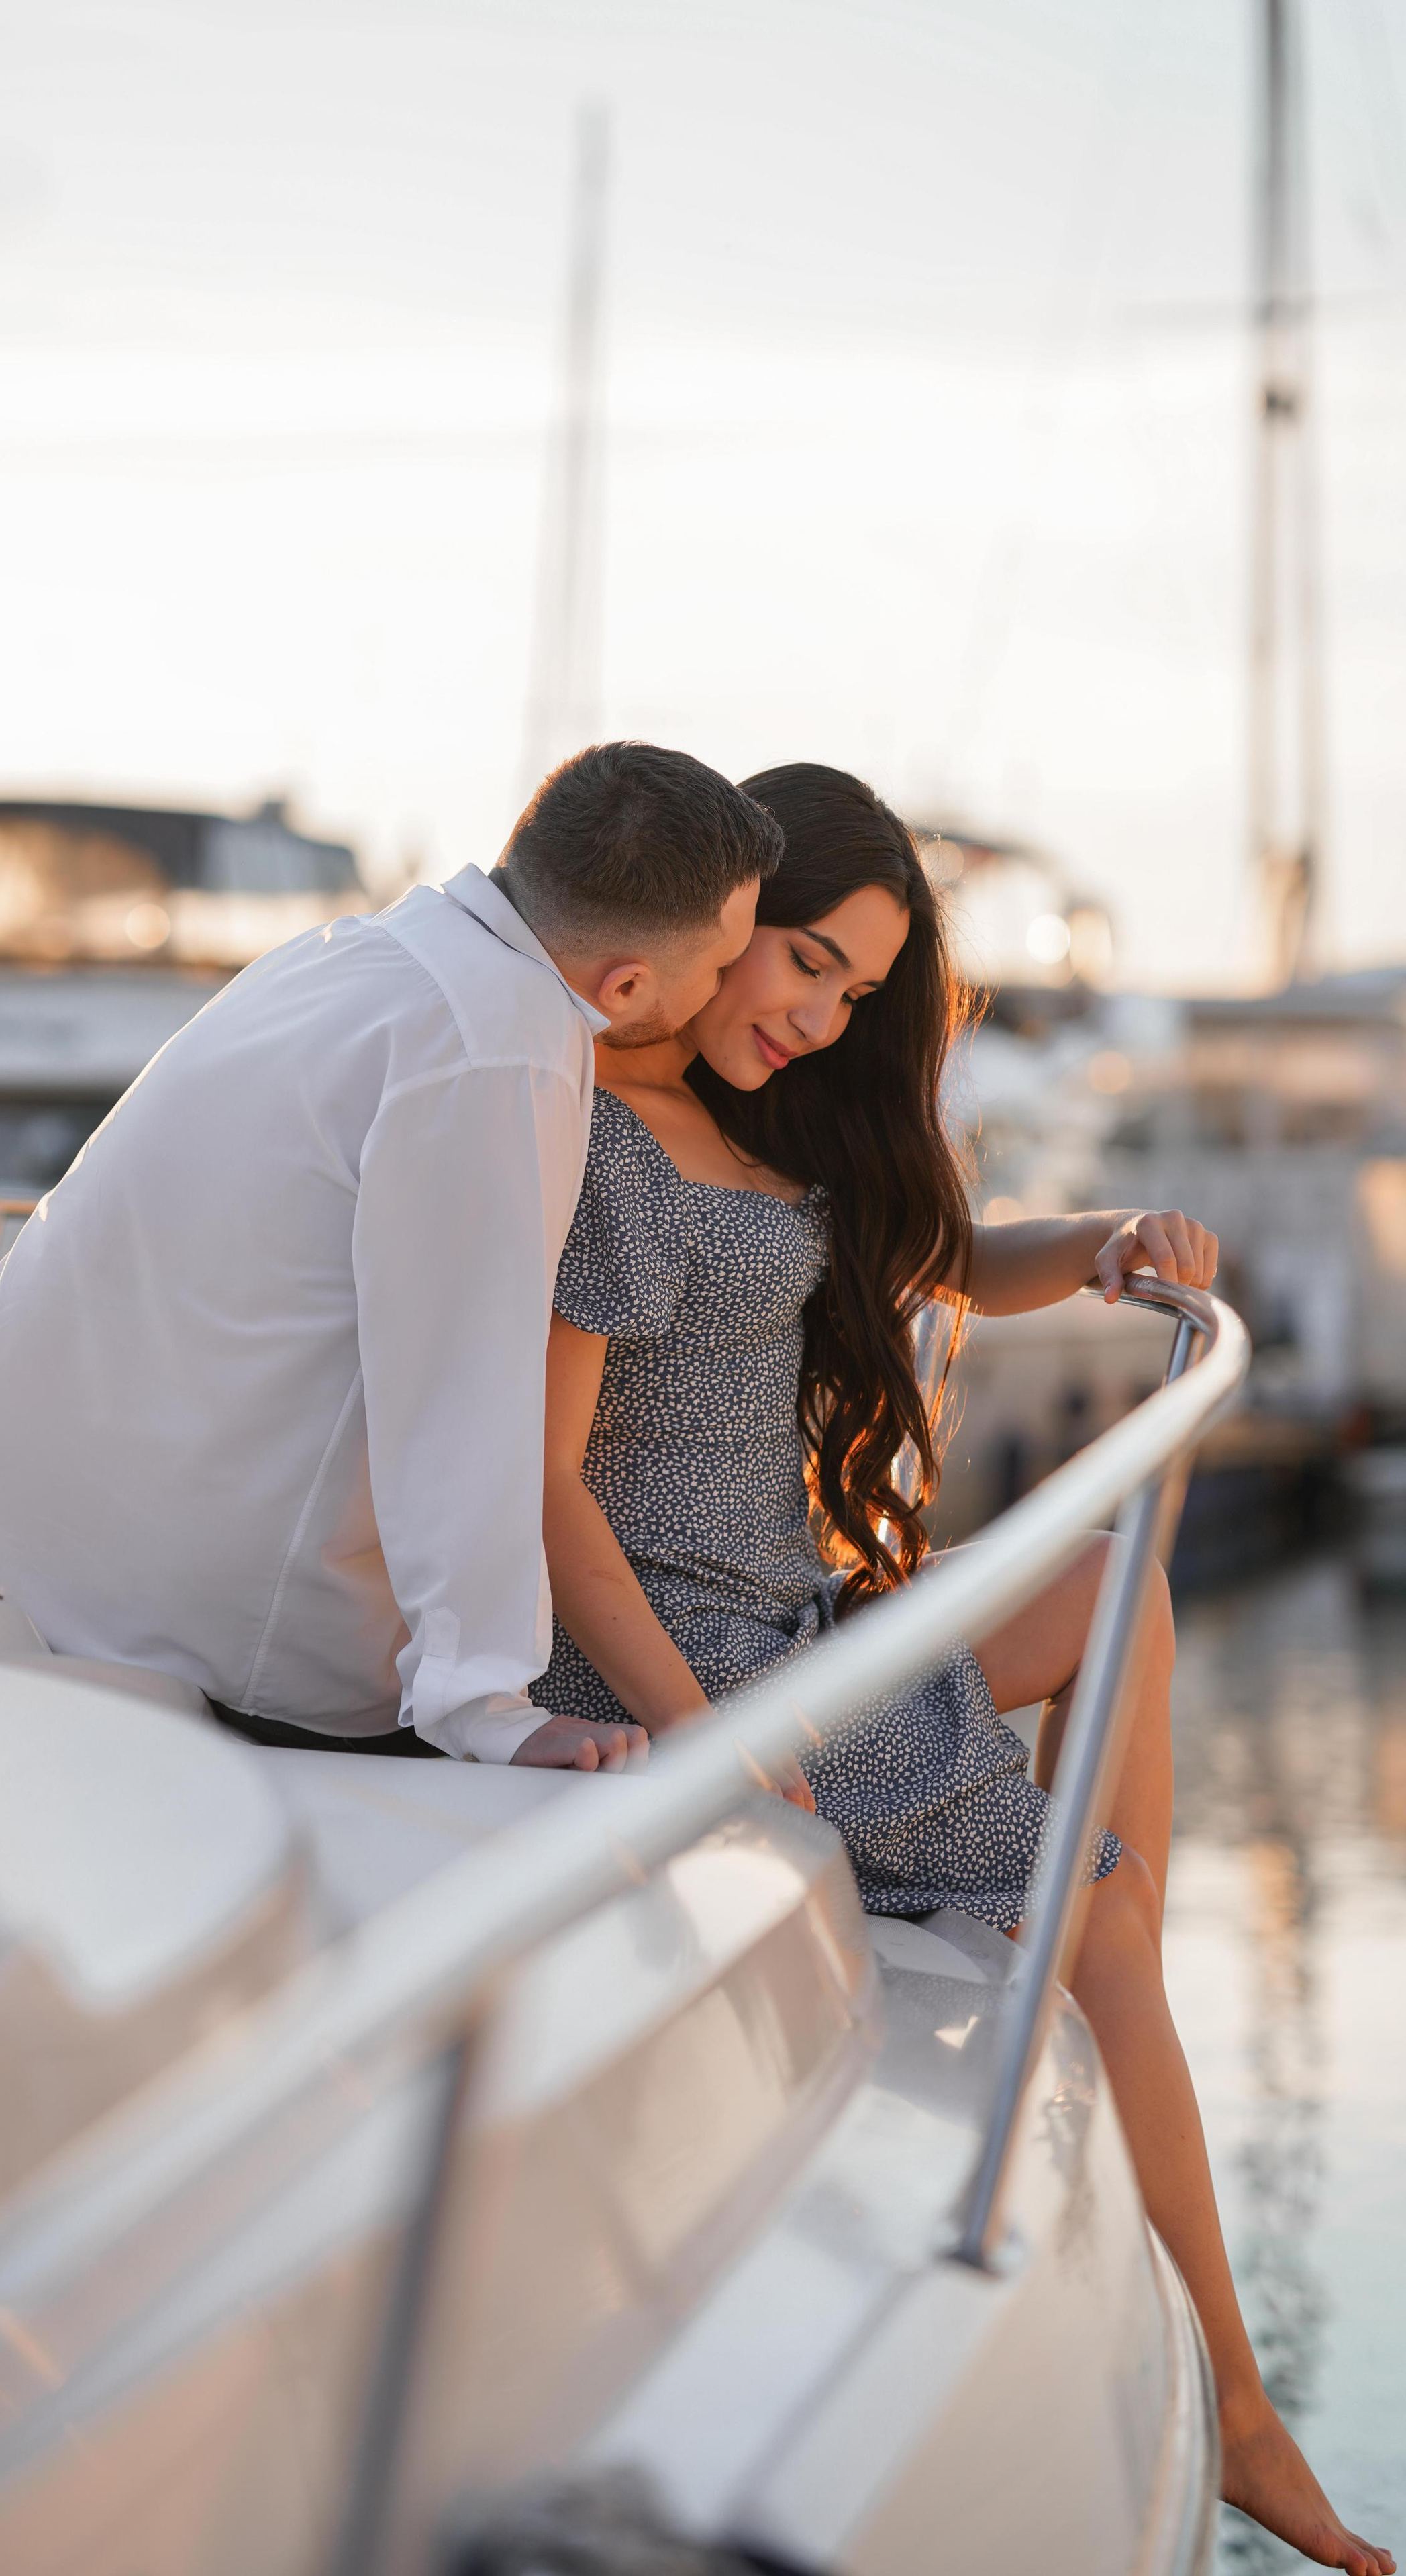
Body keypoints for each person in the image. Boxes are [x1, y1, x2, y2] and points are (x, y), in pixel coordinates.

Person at [539, 761, 1392, 2576]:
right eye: (809, 966)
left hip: (789, 1625)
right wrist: (704, 1741)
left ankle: (1103, 1910)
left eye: (859, 991)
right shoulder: (602, 1132)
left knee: (1111, 1578)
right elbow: (546, 1498)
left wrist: (1105, 1248)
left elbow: (944, 1257)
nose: (823, 1013)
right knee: (1094, 1909)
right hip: (687, 1666)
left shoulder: (777, 1120)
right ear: (723, 918)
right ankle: (1240, 2403)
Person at [0, 743, 779, 1767]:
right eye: (719, 966)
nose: (723, 990)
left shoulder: (362, 949)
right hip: (137, 1618)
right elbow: (463, 1384)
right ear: (625, 983)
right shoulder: (502, 1040)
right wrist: (487, 1707)